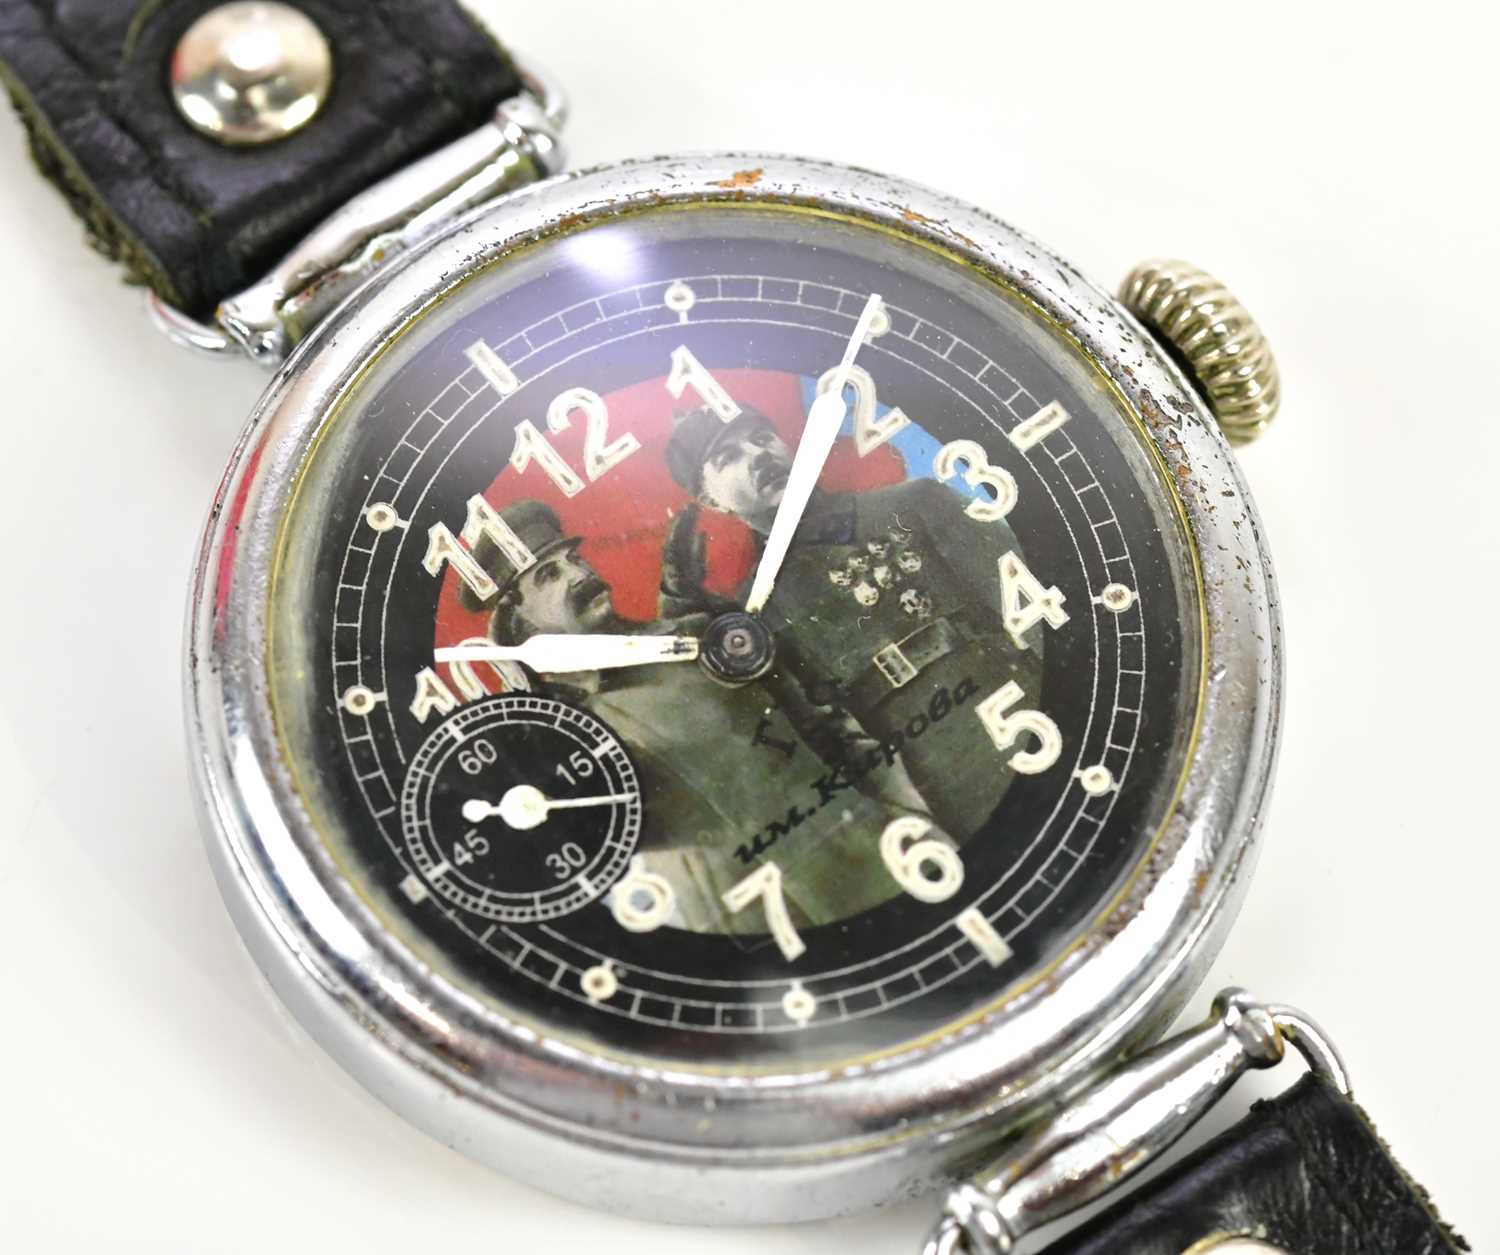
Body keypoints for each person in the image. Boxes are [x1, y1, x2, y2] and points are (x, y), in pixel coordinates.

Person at [459, 499, 943, 940]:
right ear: (519, 626)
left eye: (574, 558)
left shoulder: (699, 637)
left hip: (874, 863)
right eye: (549, 575)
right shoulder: (560, 738)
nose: (578, 574)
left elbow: (829, 727)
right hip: (751, 941)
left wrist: (912, 817)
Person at [664, 404, 1044, 841]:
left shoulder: (915, 502)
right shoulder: (755, 615)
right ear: (712, 501)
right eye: (729, 457)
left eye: (762, 437)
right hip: (930, 771)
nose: (758, 455)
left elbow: (1031, 603)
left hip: (1015, 700)